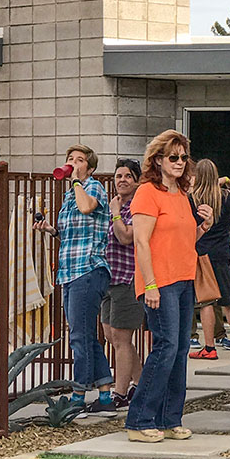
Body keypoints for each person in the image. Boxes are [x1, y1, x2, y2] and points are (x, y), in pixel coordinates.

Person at [126, 130, 214, 443]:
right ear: (158, 160)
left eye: (183, 157)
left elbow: (183, 241)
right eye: (172, 157)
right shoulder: (147, 192)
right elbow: (141, 241)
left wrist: (204, 226)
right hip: (159, 282)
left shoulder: (181, 193)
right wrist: (150, 285)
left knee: (178, 352)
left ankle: (169, 419)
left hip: (183, 279)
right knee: (165, 348)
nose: (179, 162)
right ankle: (139, 420)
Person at [32, 144, 115, 412]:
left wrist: (78, 182)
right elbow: (73, 234)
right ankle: (104, 394)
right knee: (84, 334)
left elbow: (88, 208)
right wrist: (51, 230)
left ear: (89, 168)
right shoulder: (71, 195)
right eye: (70, 159)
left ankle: (78, 394)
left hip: (89, 270)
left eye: (80, 160)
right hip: (70, 271)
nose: (74, 163)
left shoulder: (92, 188)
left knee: (79, 336)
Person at [189, 159, 230, 360]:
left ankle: (209, 347)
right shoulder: (226, 195)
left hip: (202, 252)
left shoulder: (192, 198)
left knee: (206, 301)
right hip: (222, 252)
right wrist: (227, 180)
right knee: (229, 301)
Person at [101, 157, 144, 408]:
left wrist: (116, 213)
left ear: (137, 181)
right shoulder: (113, 204)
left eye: (128, 176)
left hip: (129, 278)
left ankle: (120, 393)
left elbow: (126, 237)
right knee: (112, 336)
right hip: (110, 277)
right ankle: (140, 383)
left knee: (121, 338)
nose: (122, 180)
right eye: (119, 176)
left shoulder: (136, 206)